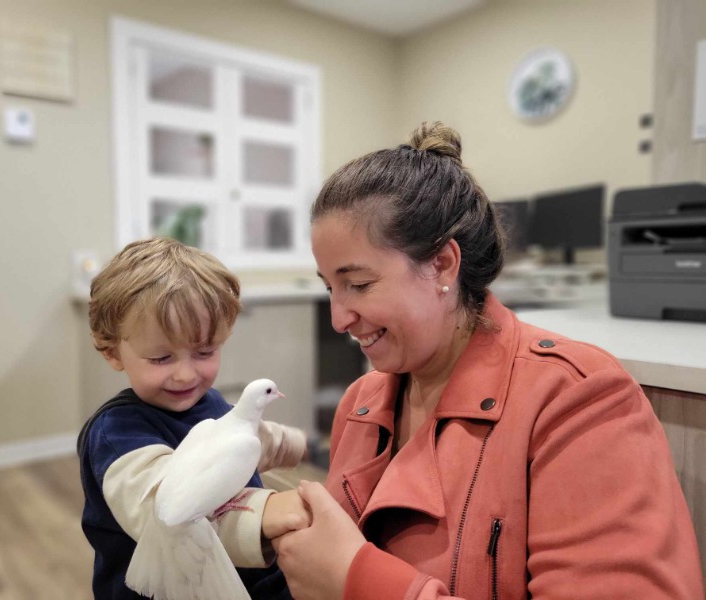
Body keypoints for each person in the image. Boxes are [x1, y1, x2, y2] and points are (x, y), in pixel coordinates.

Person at [272, 122, 704, 599]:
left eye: (358, 284)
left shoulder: (577, 401)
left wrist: (358, 581)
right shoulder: (360, 404)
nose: (338, 318)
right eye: (329, 286)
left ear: (442, 265)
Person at [77, 237, 309, 599]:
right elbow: (166, 512)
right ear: (112, 352)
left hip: (250, 578)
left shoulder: (211, 405)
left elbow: (251, 441)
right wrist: (269, 513)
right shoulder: (117, 435)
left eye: (203, 351)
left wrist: (299, 444)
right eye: (161, 358)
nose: (186, 375)